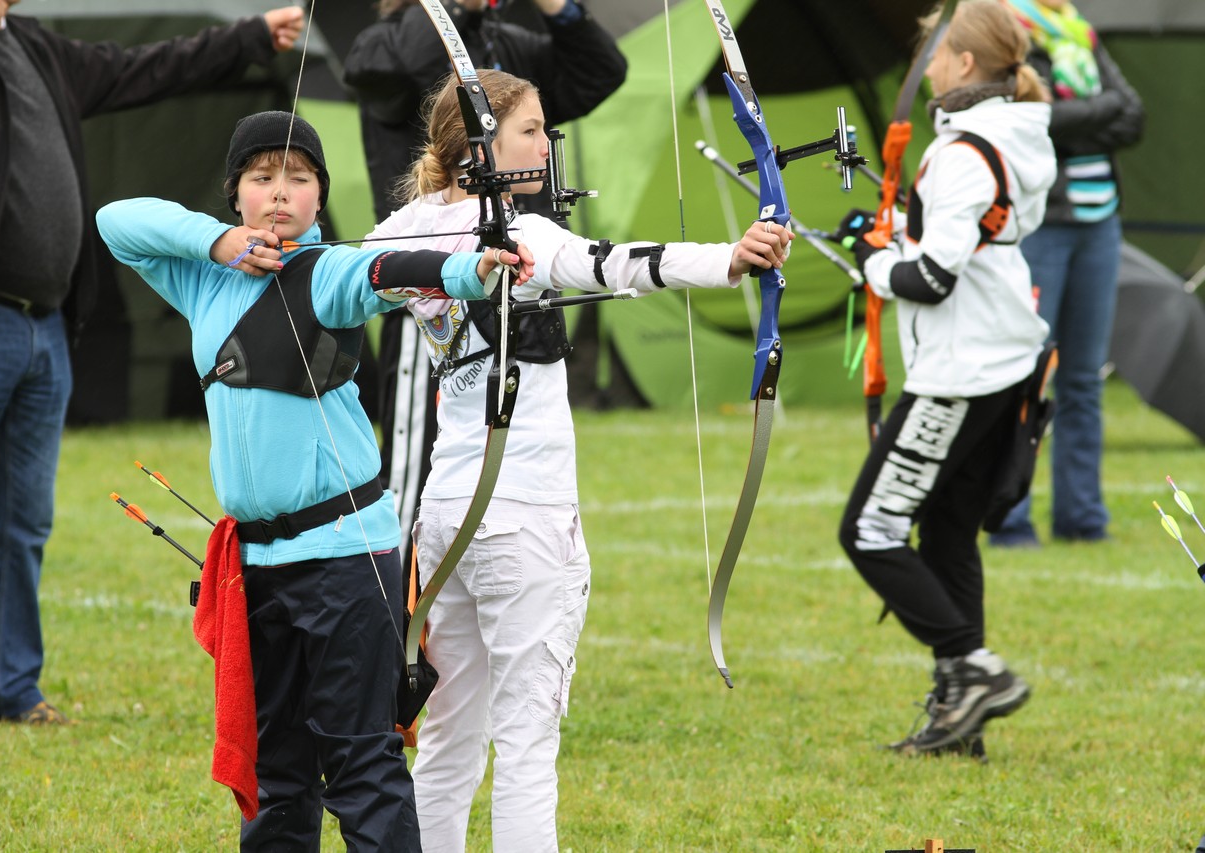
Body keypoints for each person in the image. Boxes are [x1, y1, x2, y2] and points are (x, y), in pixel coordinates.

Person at [374, 69, 789, 851]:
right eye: (530, 128)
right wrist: (730, 257)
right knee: (526, 742)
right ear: (482, 140)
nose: (544, 142)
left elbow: (351, 272)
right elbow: (614, 261)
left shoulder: (403, 227)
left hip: (446, 519)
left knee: (451, 735)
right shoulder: (521, 235)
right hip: (523, 515)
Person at [97, 110, 534, 850]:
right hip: (256, 569)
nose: (279, 194)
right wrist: (221, 243)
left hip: (342, 560)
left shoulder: (326, 270)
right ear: (234, 193)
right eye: (261, 178)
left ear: (320, 197)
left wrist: (471, 268)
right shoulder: (206, 278)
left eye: (298, 179)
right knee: (276, 774)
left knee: (361, 761)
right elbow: (117, 220)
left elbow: (385, 272)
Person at [0, 0, 307, 737]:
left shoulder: (38, 48)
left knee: (22, 522)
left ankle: (6, 686)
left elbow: (147, 69)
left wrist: (249, 38)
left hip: (44, 324)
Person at [835, 0, 1056, 756]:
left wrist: (873, 262)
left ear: (965, 64)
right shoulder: (1014, 132)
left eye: (934, 54)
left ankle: (974, 667)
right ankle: (959, 721)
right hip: (1004, 360)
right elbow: (967, 239)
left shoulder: (961, 151)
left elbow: (931, 278)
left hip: (965, 369)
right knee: (949, 532)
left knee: (869, 528)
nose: (925, 67)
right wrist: (887, 232)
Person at [343, 0, 628, 567]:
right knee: (411, 466)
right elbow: (397, 72)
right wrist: (448, 8)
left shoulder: (510, 43)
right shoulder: (382, 43)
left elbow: (602, 71)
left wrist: (556, 7)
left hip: (513, 278)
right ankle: (393, 618)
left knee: (508, 464)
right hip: (424, 289)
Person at [989, 0, 1145, 547]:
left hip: (1101, 225)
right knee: (1029, 374)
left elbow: (1133, 115)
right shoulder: (1010, 33)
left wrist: (1075, 116)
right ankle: (1009, 520)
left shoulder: (1080, 32)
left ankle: (1083, 520)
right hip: (1044, 227)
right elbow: (1032, 118)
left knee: (1083, 380)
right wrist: (1094, 112)